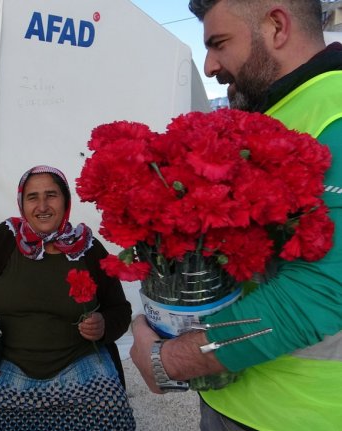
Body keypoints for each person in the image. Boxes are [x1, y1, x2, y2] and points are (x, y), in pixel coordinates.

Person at [130, 1, 342, 430]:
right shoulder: (272, 112)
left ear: (277, 25)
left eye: (219, 44)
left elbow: (326, 290)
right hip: (237, 400)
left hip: (304, 415)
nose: (208, 66)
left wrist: (169, 360)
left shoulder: (334, 111)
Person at [0, 165, 136, 430]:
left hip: (76, 364)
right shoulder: (4, 239)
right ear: (22, 202)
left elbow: (120, 310)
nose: (42, 206)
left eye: (51, 195)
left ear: (66, 200)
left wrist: (103, 324)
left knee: (110, 407)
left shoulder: (88, 248)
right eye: (33, 197)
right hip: (2, 363)